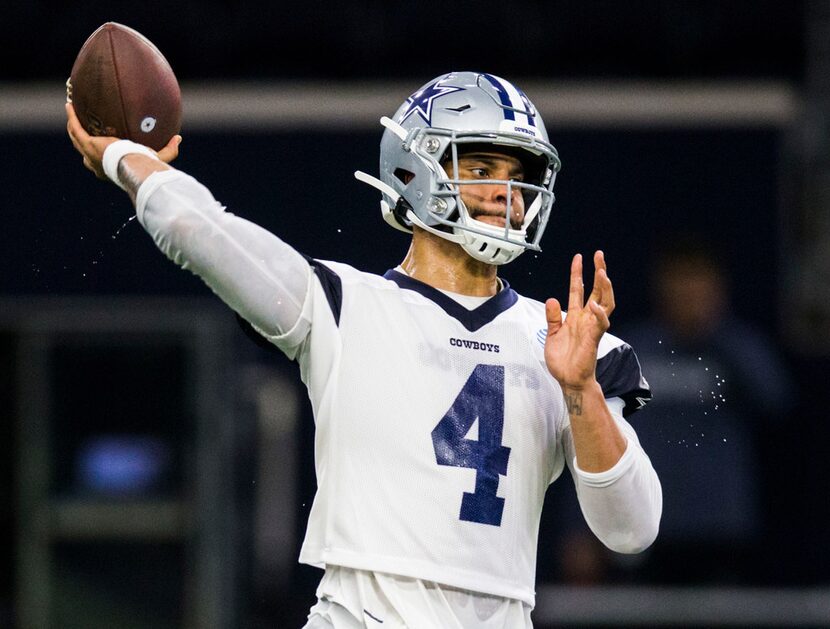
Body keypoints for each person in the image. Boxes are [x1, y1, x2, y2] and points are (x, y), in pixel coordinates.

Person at [66, 71, 662, 628]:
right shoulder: (341, 303)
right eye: (481, 167)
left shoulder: (563, 343)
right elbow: (205, 233)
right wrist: (125, 156)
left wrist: (581, 390)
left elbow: (631, 529)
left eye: (516, 173)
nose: (505, 192)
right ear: (416, 168)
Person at [615, 234, 793, 584]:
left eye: (698, 282)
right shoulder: (632, 349)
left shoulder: (738, 347)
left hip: (722, 529)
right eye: (680, 281)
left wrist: (716, 332)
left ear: (717, 288)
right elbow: (592, 432)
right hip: (647, 524)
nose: (688, 294)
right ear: (662, 287)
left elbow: (776, 400)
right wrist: (580, 527)